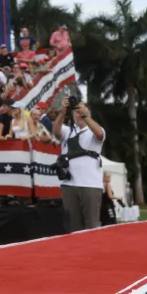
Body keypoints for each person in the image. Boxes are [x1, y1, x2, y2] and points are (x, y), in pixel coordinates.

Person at [53, 97, 106, 232]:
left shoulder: (94, 130)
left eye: (81, 111)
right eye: (76, 111)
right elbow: (56, 131)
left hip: (91, 184)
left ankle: (94, 251)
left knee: (92, 225)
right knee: (72, 226)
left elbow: (99, 134)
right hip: (69, 184)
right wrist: (62, 112)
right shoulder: (68, 130)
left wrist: (85, 115)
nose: (79, 114)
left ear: (89, 114)